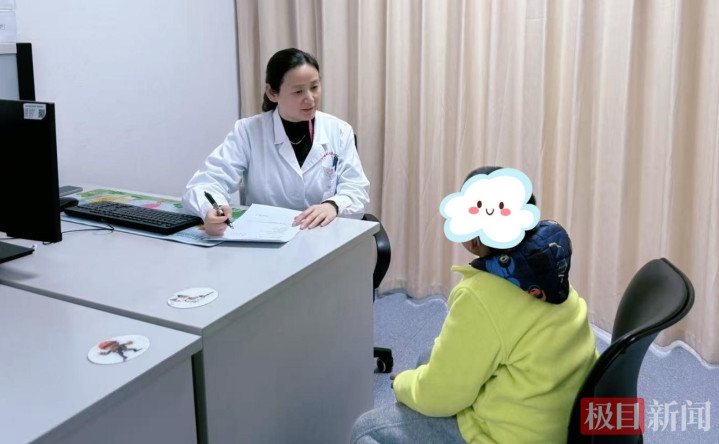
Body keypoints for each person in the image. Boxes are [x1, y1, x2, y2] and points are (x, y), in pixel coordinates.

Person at [350, 166, 598, 443]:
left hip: (513, 435)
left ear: (473, 237)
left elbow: (441, 397)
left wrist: (402, 384)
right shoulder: (548, 269)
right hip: (562, 416)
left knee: (366, 429)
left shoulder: (479, 295)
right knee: (428, 358)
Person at [182, 48, 370, 235]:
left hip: (324, 236)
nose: (310, 99)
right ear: (272, 93)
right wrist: (212, 210)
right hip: (265, 239)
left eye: (314, 87)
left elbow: (356, 189)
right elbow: (206, 183)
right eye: (298, 91)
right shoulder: (248, 132)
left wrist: (333, 205)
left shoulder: (339, 131)